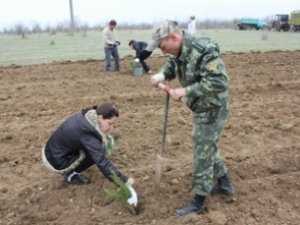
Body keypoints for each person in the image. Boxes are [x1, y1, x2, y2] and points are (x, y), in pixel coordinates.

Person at [149, 20, 235, 217]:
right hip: (200, 107)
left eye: (162, 46)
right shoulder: (177, 52)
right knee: (207, 145)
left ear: (174, 37)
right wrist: (161, 75)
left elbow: (218, 82)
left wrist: (184, 90)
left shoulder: (203, 49)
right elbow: (171, 64)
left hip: (213, 107)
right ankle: (225, 184)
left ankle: (199, 201)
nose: (162, 51)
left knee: (202, 152)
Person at [42, 103, 137, 206]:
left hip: (54, 150)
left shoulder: (89, 116)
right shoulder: (87, 132)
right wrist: (123, 181)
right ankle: (70, 175)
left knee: (97, 149)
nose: (112, 128)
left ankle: (73, 166)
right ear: (100, 117)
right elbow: (102, 162)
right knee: (97, 153)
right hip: (55, 161)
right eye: (110, 124)